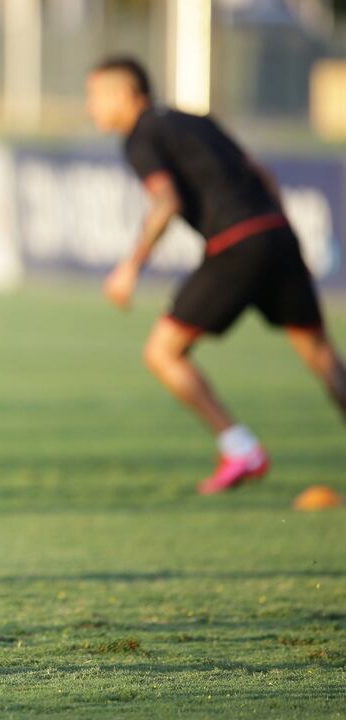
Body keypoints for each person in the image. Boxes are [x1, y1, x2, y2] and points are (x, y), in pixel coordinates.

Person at [87, 55, 346, 493]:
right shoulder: (196, 120)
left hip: (235, 244)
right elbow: (261, 174)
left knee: (162, 353)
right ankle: (241, 449)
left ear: (125, 94)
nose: (90, 107)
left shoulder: (140, 136)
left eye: (94, 96)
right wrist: (277, 233)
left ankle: (240, 447)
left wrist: (130, 267)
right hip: (277, 233)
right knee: (322, 357)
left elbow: (165, 202)